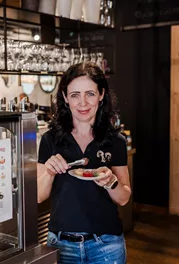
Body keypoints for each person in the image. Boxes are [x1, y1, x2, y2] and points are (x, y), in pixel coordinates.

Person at [37, 62, 131, 264]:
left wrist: (110, 181)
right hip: (61, 243)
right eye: (75, 95)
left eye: (89, 93)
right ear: (64, 97)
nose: (82, 103)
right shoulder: (50, 140)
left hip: (106, 244)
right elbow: (38, 195)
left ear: (101, 94)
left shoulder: (115, 141)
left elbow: (123, 198)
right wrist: (49, 172)